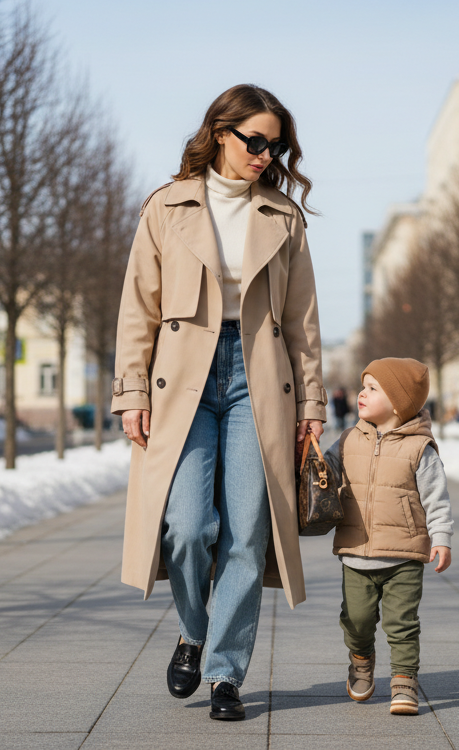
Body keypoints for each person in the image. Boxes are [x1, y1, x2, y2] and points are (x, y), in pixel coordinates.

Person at [111, 85, 326, 721]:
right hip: (182, 380)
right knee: (185, 528)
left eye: (275, 145)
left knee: (246, 530)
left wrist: (311, 402)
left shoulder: (284, 217)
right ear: (221, 133)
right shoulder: (166, 206)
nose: (265, 154)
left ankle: (225, 674)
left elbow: (303, 320)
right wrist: (130, 389)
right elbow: (138, 309)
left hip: (257, 379)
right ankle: (194, 630)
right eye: (254, 140)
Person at [322, 358, 453, 716]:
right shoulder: (349, 438)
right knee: (357, 620)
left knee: (402, 623)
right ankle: (361, 660)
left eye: (372, 388)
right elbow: (327, 470)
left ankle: (404, 683)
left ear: (397, 402)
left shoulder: (420, 449)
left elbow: (437, 499)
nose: (361, 394)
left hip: (405, 556)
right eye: (362, 387)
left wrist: (441, 538)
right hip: (356, 552)